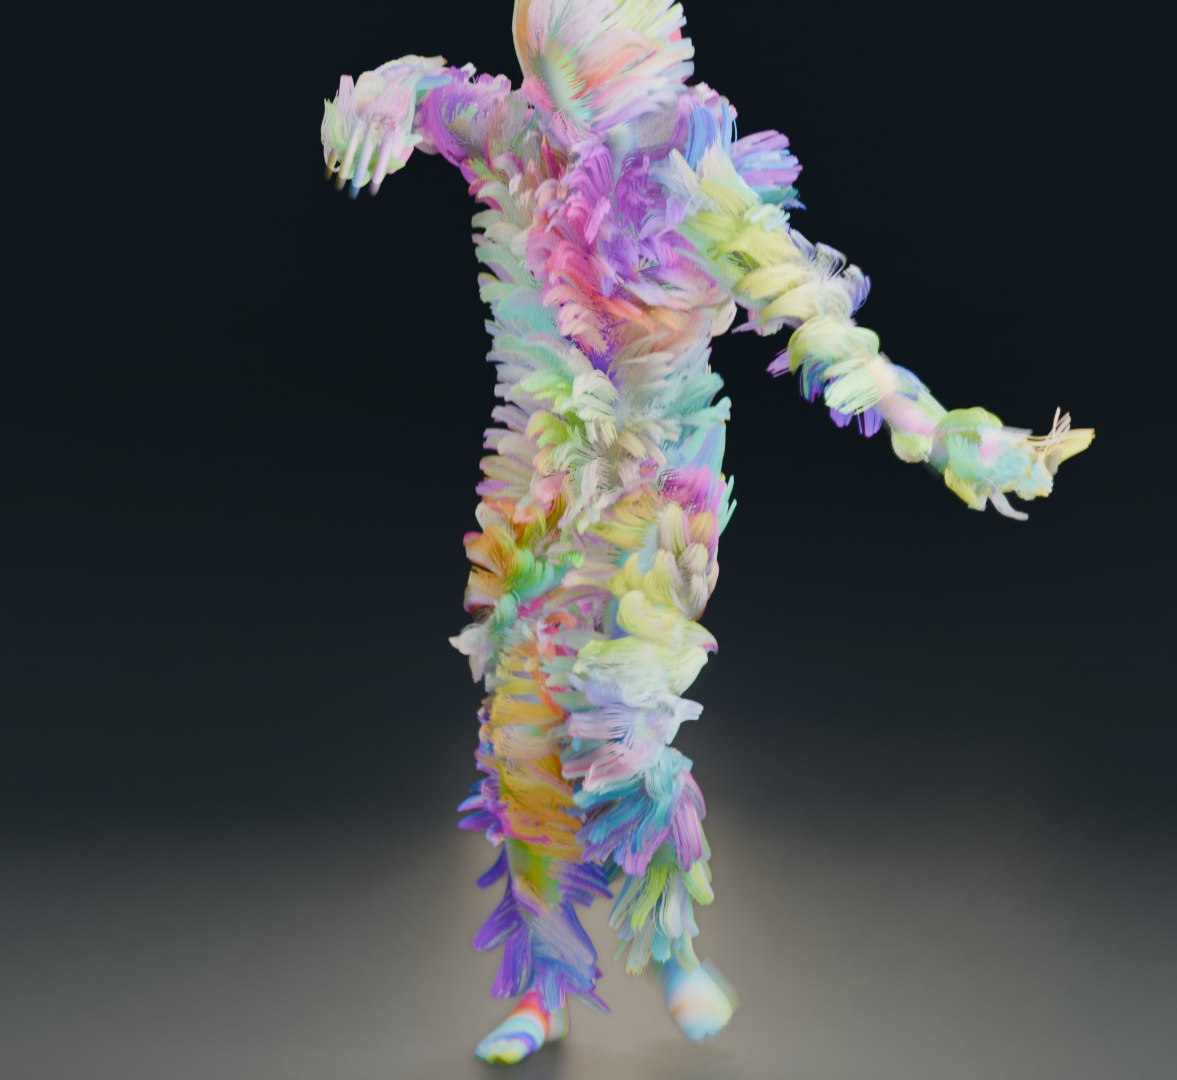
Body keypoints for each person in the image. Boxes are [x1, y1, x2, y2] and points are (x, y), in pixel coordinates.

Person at [319, 1, 1094, 1064]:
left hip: (656, 495)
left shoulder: (703, 182)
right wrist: (369, 103)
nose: (567, 117)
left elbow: (828, 332)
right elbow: (419, 93)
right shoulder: (524, 141)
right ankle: (541, 988)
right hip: (540, 491)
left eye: (586, 89)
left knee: (622, 724)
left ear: (644, 61)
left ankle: (673, 944)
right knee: (520, 739)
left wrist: (951, 439)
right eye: (548, 86)